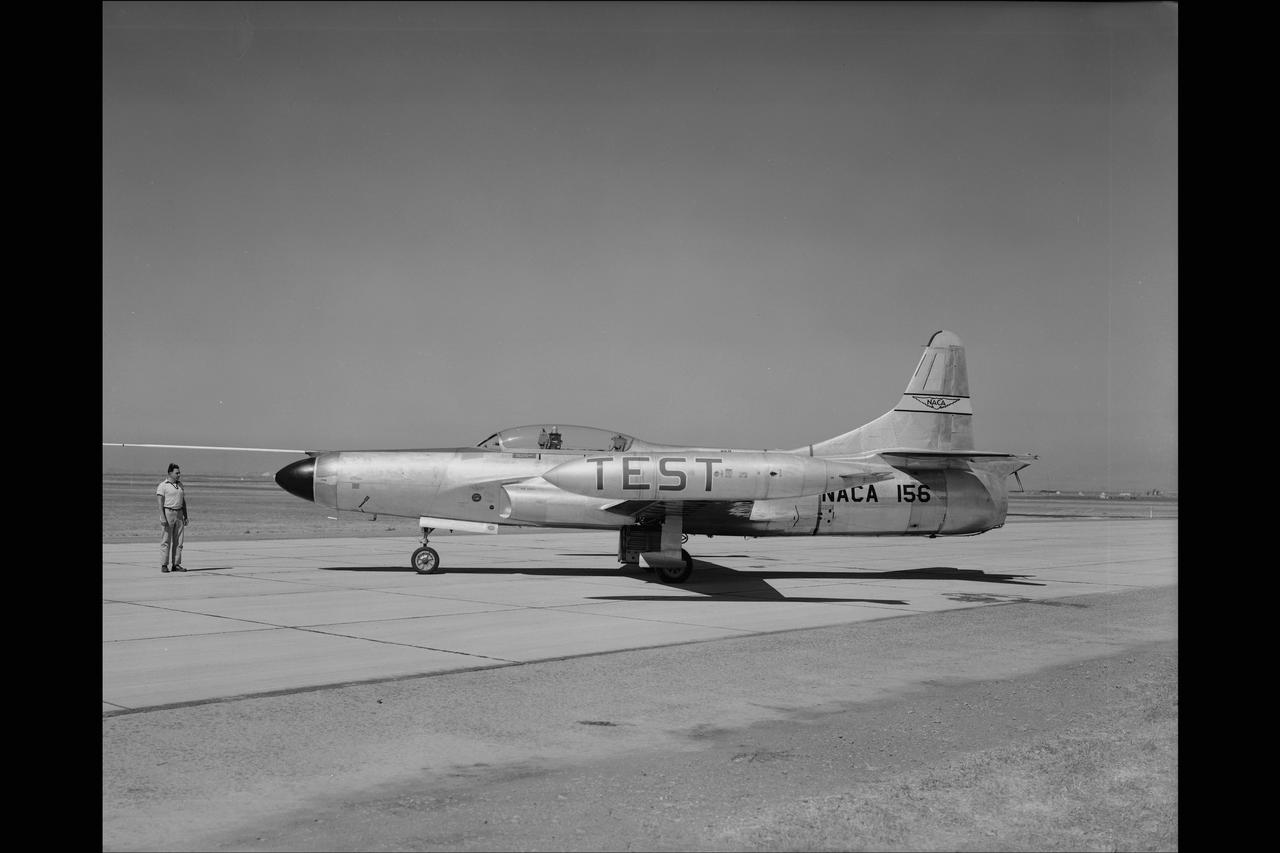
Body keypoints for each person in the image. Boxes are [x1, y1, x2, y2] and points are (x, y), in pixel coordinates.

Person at [156, 463, 189, 572]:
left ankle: (176, 564)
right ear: (170, 473)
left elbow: (183, 502)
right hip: (168, 512)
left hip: (179, 514)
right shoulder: (163, 485)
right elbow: (160, 503)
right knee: (166, 540)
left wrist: (185, 515)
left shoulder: (180, 485)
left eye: (179, 472)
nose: (179, 474)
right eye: (177, 473)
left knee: (179, 541)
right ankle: (164, 565)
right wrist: (163, 517)